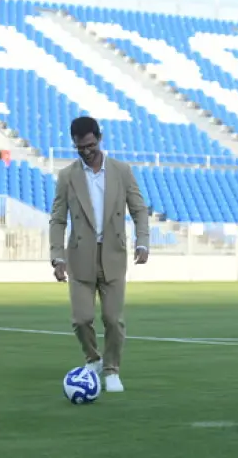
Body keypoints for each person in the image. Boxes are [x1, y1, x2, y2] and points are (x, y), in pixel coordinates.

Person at [49, 116, 150, 393]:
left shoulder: (121, 171)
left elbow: (139, 210)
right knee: (81, 319)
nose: (86, 151)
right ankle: (92, 359)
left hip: (113, 255)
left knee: (113, 319)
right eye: (80, 147)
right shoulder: (67, 176)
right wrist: (57, 256)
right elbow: (57, 219)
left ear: (99, 138)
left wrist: (143, 242)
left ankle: (112, 369)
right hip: (80, 256)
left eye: (90, 145)